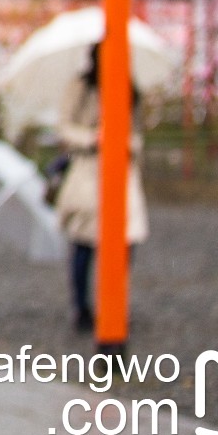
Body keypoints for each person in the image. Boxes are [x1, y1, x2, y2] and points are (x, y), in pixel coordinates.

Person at [54, 42, 147, 334]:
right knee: (85, 240)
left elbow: (137, 133)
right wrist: (94, 138)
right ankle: (81, 305)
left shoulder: (130, 89)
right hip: (88, 170)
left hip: (122, 170)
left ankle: (115, 303)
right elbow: (64, 127)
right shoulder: (81, 88)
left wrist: (125, 142)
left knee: (125, 238)